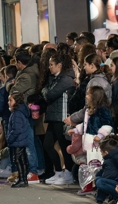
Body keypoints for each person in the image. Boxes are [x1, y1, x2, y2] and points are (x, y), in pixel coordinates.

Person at [69, 86, 114, 195]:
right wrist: (76, 130)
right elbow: (87, 125)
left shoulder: (103, 110)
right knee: (90, 165)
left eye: (88, 94)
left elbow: (108, 124)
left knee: (97, 165)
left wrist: (100, 135)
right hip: (90, 142)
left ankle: (98, 188)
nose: (86, 96)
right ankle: (88, 186)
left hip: (98, 144)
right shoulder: (89, 109)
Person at [42, 52, 76, 185]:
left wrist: (45, 91)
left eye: (51, 65)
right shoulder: (55, 78)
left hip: (61, 117)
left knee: (63, 146)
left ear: (59, 65)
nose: (49, 67)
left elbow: (49, 94)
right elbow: (46, 91)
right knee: (48, 145)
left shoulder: (66, 79)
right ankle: (59, 172)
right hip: (53, 116)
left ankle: (67, 174)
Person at [6, 92, 30, 188]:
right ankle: (23, 179)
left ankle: (22, 179)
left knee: (18, 160)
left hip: (18, 141)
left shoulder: (17, 114)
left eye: (10, 100)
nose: (8, 102)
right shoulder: (20, 112)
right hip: (21, 140)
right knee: (22, 160)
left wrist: (9, 139)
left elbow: (16, 129)